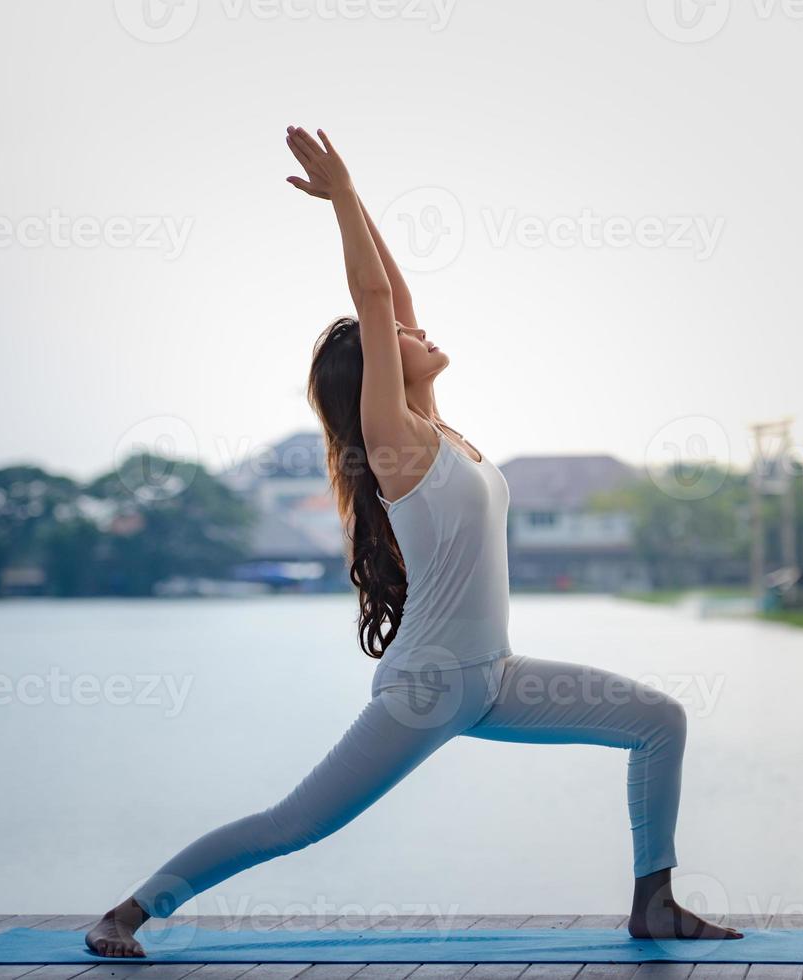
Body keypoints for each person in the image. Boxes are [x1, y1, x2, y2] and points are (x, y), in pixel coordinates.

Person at [84, 127, 741, 957]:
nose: (416, 328)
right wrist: (345, 197)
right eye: (398, 335)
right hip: (429, 686)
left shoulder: (439, 434)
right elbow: (375, 302)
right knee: (292, 825)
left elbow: (390, 298)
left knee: (660, 720)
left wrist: (359, 208)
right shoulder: (393, 441)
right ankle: (129, 912)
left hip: (494, 676)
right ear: (378, 379)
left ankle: (654, 900)